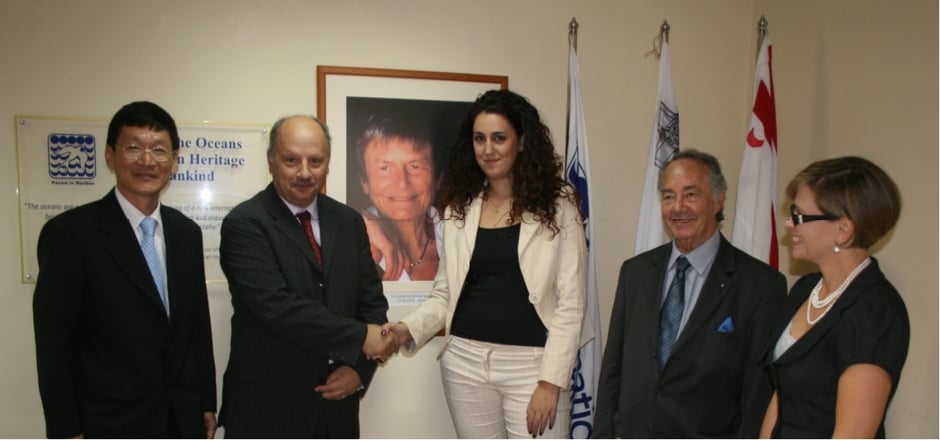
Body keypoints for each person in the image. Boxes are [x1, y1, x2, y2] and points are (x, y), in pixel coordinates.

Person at [383, 89, 591, 438]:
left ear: (522, 142)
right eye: (480, 139)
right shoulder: (459, 208)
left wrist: (551, 382)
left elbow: (572, 304)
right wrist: (406, 329)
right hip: (464, 361)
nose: (488, 149)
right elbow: (446, 293)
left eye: (499, 138)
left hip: (532, 366)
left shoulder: (558, 208)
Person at [32, 101, 217, 438]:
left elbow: (196, 328)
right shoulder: (70, 235)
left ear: (174, 161)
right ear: (109, 155)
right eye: (133, 148)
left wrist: (206, 402)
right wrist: (65, 428)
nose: (147, 161)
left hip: (180, 418)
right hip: (107, 422)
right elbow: (53, 346)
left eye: (159, 150)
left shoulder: (186, 233)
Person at [217, 115, 396, 438]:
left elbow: (371, 302)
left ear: (327, 163)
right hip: (267, 411)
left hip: (336, 412)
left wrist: (359, 369)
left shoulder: (349, 221)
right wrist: (358, 337)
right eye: (291, 160)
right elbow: (277, 307)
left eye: (315, 161)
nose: (304, 172)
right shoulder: (245, 224)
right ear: (271, 160)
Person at [594, 149, 787, 438]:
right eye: (669, 196)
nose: (677, 207)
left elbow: (757, 391)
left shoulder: (760, 285)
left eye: (691, 195)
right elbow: (613, 368)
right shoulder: (636, 272)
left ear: (718, 200)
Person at [756, 156, 909, 438]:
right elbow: (782, 391)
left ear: (843, 229)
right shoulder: (805, 289)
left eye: (800, 215)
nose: (789, 224)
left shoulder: (874, 312)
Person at [355, 115, 442, 281]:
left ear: (438, 178)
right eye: (385, 168)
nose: (402, 183)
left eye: (415, 166)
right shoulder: (349, 243)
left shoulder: (462, 239)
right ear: (364, 182)